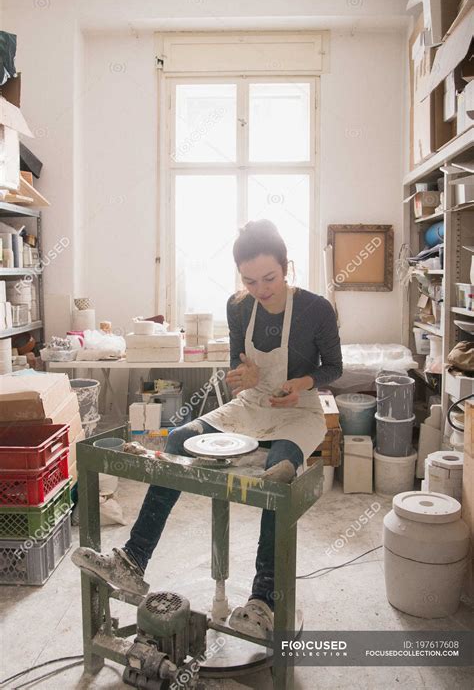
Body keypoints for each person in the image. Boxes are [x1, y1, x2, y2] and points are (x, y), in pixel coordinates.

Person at [72, 219, 342, 639]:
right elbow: (239, 359)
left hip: (299, 408)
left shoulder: (316, 309)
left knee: (278, 473)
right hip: (252, 404)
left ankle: (262, 599)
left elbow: (335, 368)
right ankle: (132, 562)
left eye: (269, 278)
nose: (261, 289)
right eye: (250, 280)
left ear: (286, 267)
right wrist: (244, 373)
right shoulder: (238, 306)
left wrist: (304, 383)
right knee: (179, 439)